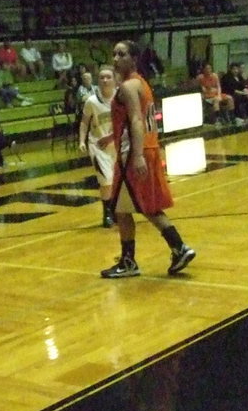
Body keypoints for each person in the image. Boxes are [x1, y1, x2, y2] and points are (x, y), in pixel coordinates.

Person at [101, 40, 195, 279]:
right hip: (148, 148)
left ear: (133, 59)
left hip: (134, 152)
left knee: (132, 207)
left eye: (121, 54)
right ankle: (172, 248)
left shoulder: (128, 87)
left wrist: (137, 155)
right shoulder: (142, 84)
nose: (115, 58)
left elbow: (135, 120)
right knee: (133, 206)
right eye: (114, 53)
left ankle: (168, 249)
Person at [79, 65, 119, 228]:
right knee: (105, 181)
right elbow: (84, 122)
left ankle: (117, 210)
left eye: (108, 77)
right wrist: (81, 140)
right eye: (102, 77)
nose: (105, 80)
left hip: (116, 143)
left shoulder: (121, 98)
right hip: (97, 145)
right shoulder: (91, 101)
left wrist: (112, 137)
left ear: (115, 80)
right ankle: (107, 213)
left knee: (117, 180)